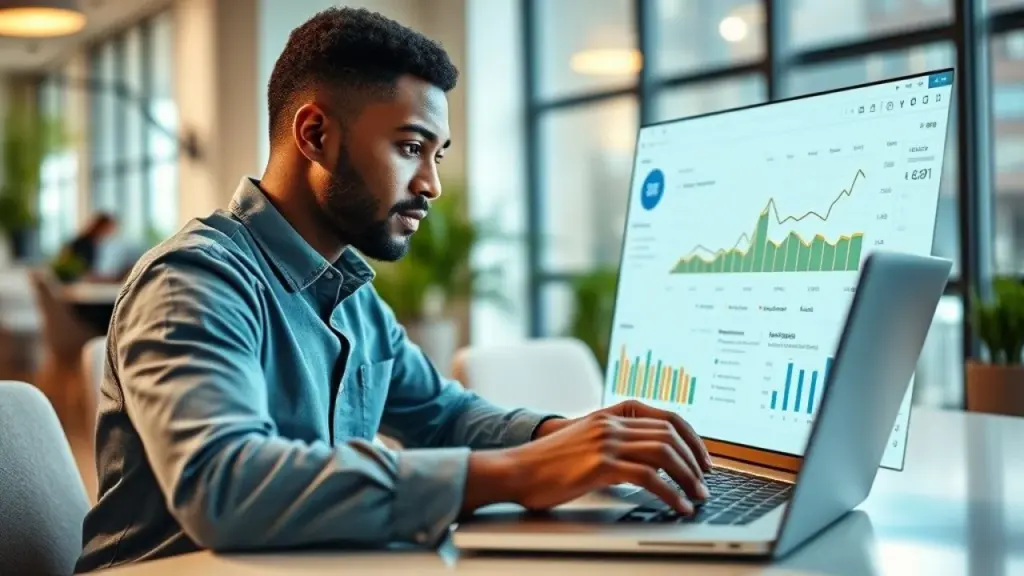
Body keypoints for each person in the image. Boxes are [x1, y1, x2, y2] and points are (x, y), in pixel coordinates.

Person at [75, 8, 711, 573]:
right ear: (316, 135)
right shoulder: (195, 280)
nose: (431, 184)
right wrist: (520, 472)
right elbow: (226, 487)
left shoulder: (351, 296)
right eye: (411, 148)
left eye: (438, 155)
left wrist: (569, 436)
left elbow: (443, 416)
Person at [53, 213, 119, 282]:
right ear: (100, 227)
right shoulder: (82, 244)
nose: (110, 232)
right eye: (108, 228)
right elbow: (80, 270)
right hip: (76, 282)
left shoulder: (94, 244)